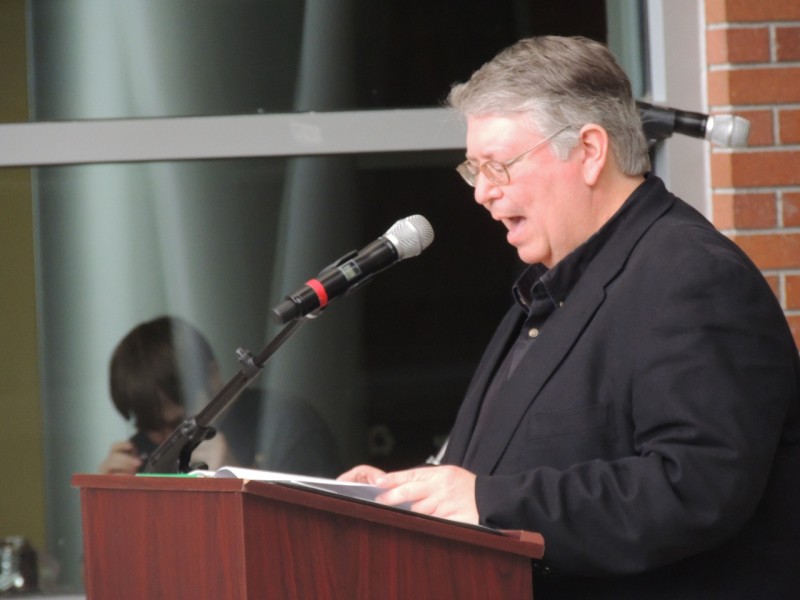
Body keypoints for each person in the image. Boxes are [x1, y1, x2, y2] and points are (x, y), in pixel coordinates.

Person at [339, 36, 800, 598]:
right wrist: (408, 494)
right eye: (474, 169)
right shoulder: (556, 283)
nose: (482, 193)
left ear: (588, 151)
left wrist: (488, 502)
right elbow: (503, 469)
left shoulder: (691, 277)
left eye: (499, 166)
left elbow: (697, 485)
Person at [99, 316, 343, 477]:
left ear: (213, 376)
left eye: (179, 424)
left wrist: (237, 478)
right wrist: (106, 506)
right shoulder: (143, 450)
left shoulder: (286, 426)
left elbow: (317, 539)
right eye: (151, 427)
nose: (168, 439)